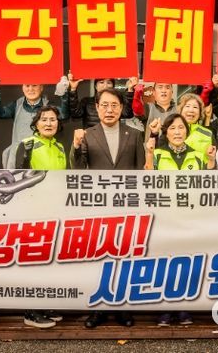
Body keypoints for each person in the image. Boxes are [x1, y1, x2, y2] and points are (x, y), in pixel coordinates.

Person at [70, 88, 145, 328]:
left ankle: (123, 308)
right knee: (99, 259)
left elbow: (140, 172)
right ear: (97, 108)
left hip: (127, 206)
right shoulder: (87, 134)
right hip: (98, 207)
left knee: (125, 258)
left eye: (114, 105)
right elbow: (78, 170)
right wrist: (76, 146)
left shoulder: (135, 135)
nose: (109, 110)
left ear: (121, 109)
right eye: (104, 105)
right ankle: (98, 309)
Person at [144, 113, 215, 327]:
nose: (177, 132)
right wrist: (149, 154)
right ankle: (164, 309)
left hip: (190, 219)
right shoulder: (157, 153)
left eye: (181, 128)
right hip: (163, 219)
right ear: (166, 132)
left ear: (187, 131)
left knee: (186, 263)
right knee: (163, 263)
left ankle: (184, 307)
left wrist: (211, 161)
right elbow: (146, 181)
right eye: (173, 128)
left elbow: (210, 183)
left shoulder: (198, 155)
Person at [14, 105, 67, 329]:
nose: (48, 123)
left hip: (55, 212)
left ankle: (45, 306)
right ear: (36, 123)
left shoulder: (61, 147)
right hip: (33, 212)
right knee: (33, 262)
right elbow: (18, 179)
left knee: (50, 262)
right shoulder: (26, 144)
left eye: (53, 119)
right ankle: (31, 312)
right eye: (44, 119)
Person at [0, 74, 69, 168]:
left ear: (41, 87)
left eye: (34, 85)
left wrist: (64, 94)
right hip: (18, 157)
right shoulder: (17, 105)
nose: (30, 89)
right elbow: (0, 113)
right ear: (22, 88)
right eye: (27, 86)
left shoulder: (48, 105)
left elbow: (63, 114)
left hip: (41, 157)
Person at [68, 74, 134, 128]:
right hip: (91, 137)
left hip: (111, 135)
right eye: (101, 82)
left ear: (113, 87)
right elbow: (75, 114)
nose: (105, 86)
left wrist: (130, 89)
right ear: (96, 86)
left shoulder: (117, 102)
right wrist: (73, 89)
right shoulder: (87, 101)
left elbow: (127, 114)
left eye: (109, 83)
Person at [176, 93, 216, 162]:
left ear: (200, 113)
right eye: (187, 106)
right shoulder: (170, 131)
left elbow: (213, 161)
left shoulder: (208, 134)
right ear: (180, 110)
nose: (191, 110)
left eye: (195, 107)